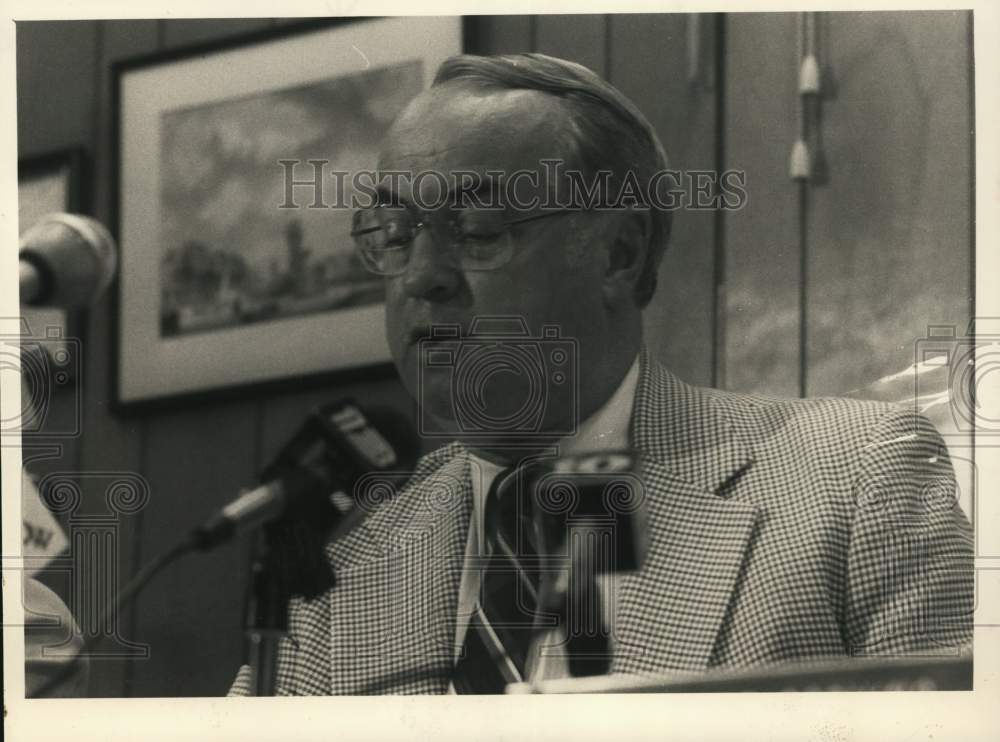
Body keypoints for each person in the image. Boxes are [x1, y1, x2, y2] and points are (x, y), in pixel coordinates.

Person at [229, 52, 973, 695]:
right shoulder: (346, 563)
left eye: (479, 230)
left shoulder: (855, 483)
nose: (422, 278)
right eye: (394, 235)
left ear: (617, 253)